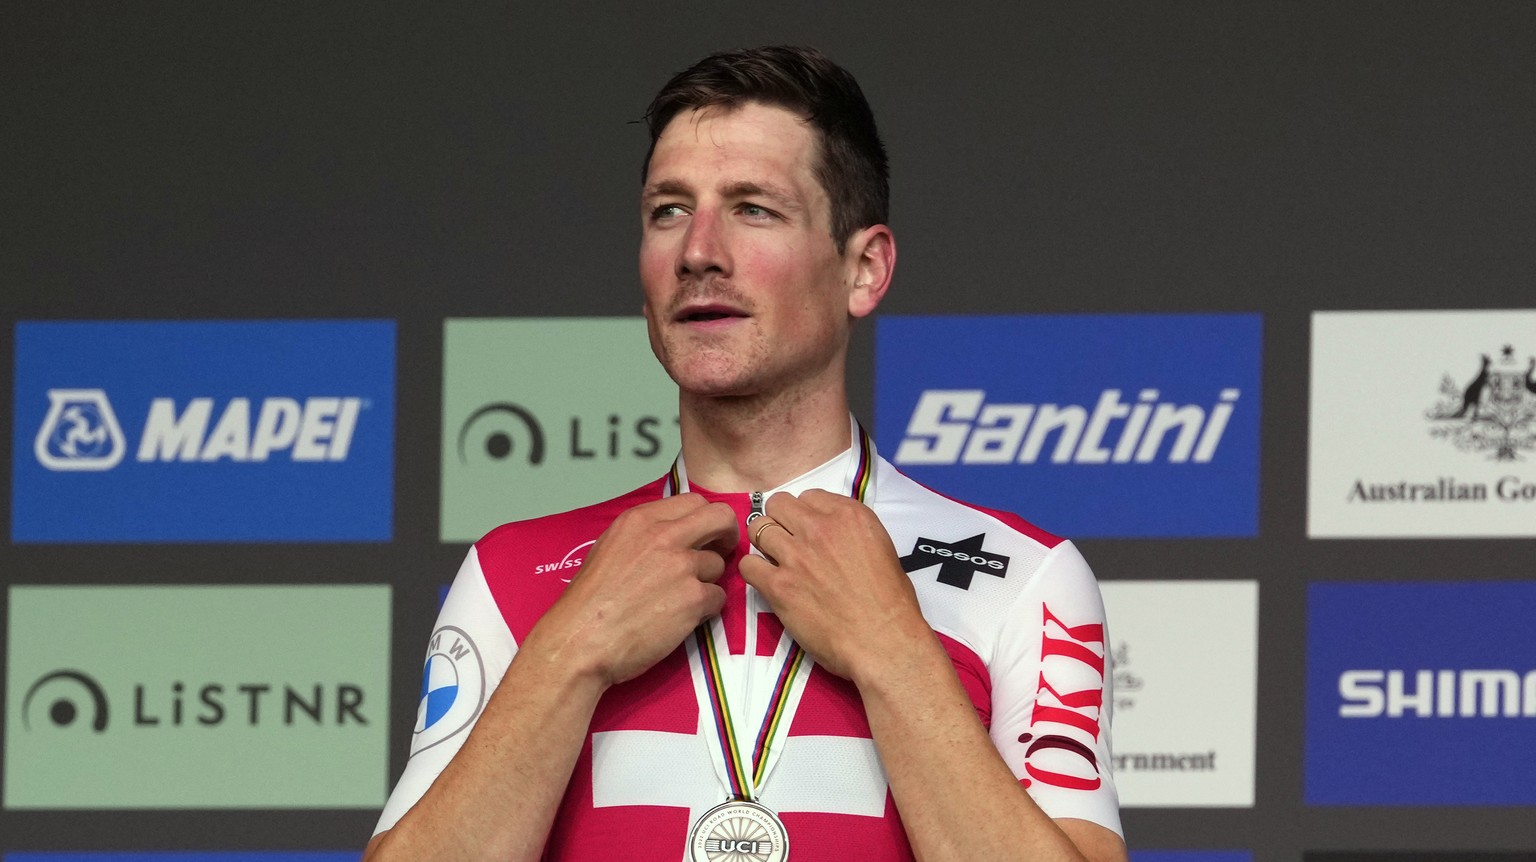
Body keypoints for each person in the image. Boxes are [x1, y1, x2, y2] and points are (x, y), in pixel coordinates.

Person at [366, 45, 1125, 862]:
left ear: (863, 270)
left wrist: (893, 654)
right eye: (668, 211)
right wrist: (572, 651)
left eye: (753, 208)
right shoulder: (517, 574)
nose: (699, 251)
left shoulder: (1025, 578)